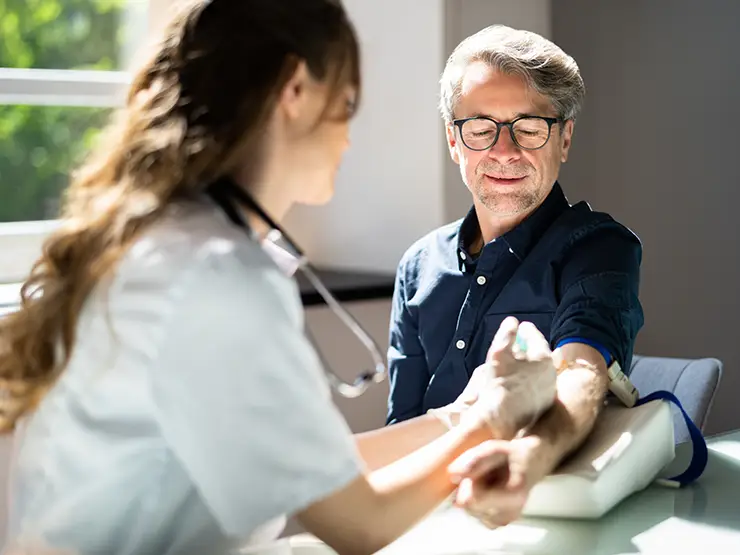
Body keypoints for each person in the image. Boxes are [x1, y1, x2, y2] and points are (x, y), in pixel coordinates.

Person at [0, 3, 558, 555]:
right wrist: (495, 416)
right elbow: (360, 523)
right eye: (345, 105)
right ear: (295, 90)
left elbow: (318, 470)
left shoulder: (165, 244)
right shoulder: (218, 277)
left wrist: (460, 414)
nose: (347, 139)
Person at [386, 25, 645, 526]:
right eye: (481, 129)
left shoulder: (597, 248)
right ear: (453, 141)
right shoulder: (418, 265)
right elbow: (403, 426)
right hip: (427, 518)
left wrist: (525, 461)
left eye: (528, 129)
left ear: (564, 138)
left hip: (546, 514)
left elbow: (582, 373)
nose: (504, 152)